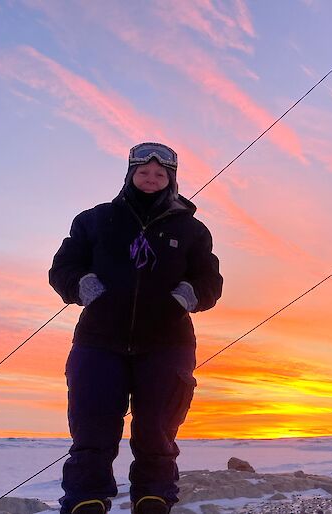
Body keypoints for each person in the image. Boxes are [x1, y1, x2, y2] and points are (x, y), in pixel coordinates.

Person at [49, 142, 223, 514]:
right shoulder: (94, 220)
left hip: (167, 343)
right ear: (130, 174)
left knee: (157, 430)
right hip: (99, 341)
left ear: (170, 180)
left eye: (160, 174)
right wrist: (81, 285)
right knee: (92, 427)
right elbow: (62, 266)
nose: (151, 179)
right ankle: (86, 501)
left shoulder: (191, 230)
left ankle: (153, 498)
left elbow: (210, 281)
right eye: (143, 172)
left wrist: (185, 296)